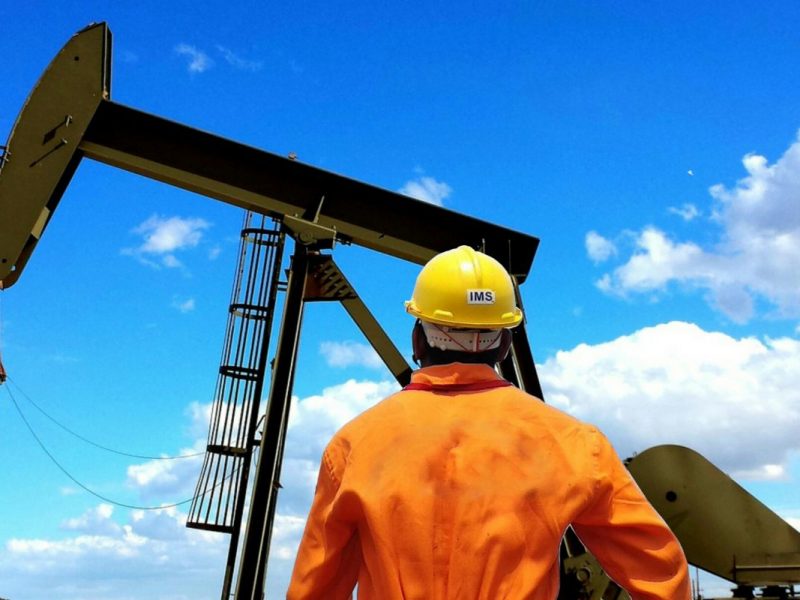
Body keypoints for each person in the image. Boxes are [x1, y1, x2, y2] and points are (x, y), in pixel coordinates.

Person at [287, 246, 690, 599]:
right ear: (505, 342)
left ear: (418, 340)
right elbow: (661, 573)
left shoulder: (355, 445)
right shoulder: (574, 443)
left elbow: (316, 586)